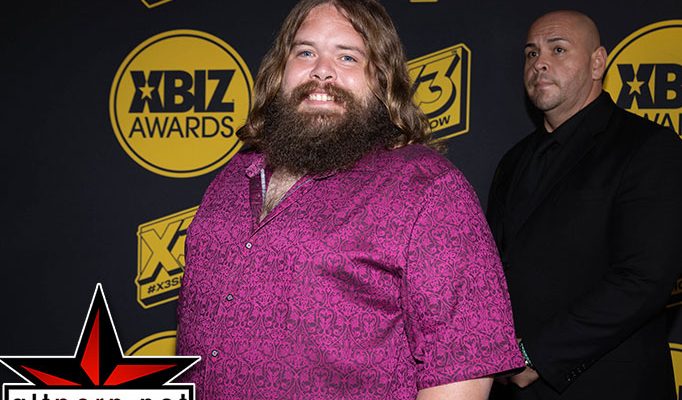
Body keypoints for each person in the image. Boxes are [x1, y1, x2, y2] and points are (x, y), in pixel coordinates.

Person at [177, 0, 524, 398]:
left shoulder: (426, 187)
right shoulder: (235, 175)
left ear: (381, 78)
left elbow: (462, 366)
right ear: (279, 71)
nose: (322, 70)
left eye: (347, 57)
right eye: (305, 52)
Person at [487, 10, 682, 400]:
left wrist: (538, 355)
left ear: (597, 63)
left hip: (609, 387)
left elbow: (646, 278)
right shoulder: (513, 160)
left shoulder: (649, 148)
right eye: (531, 53)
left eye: (558, 49)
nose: (539, 62)